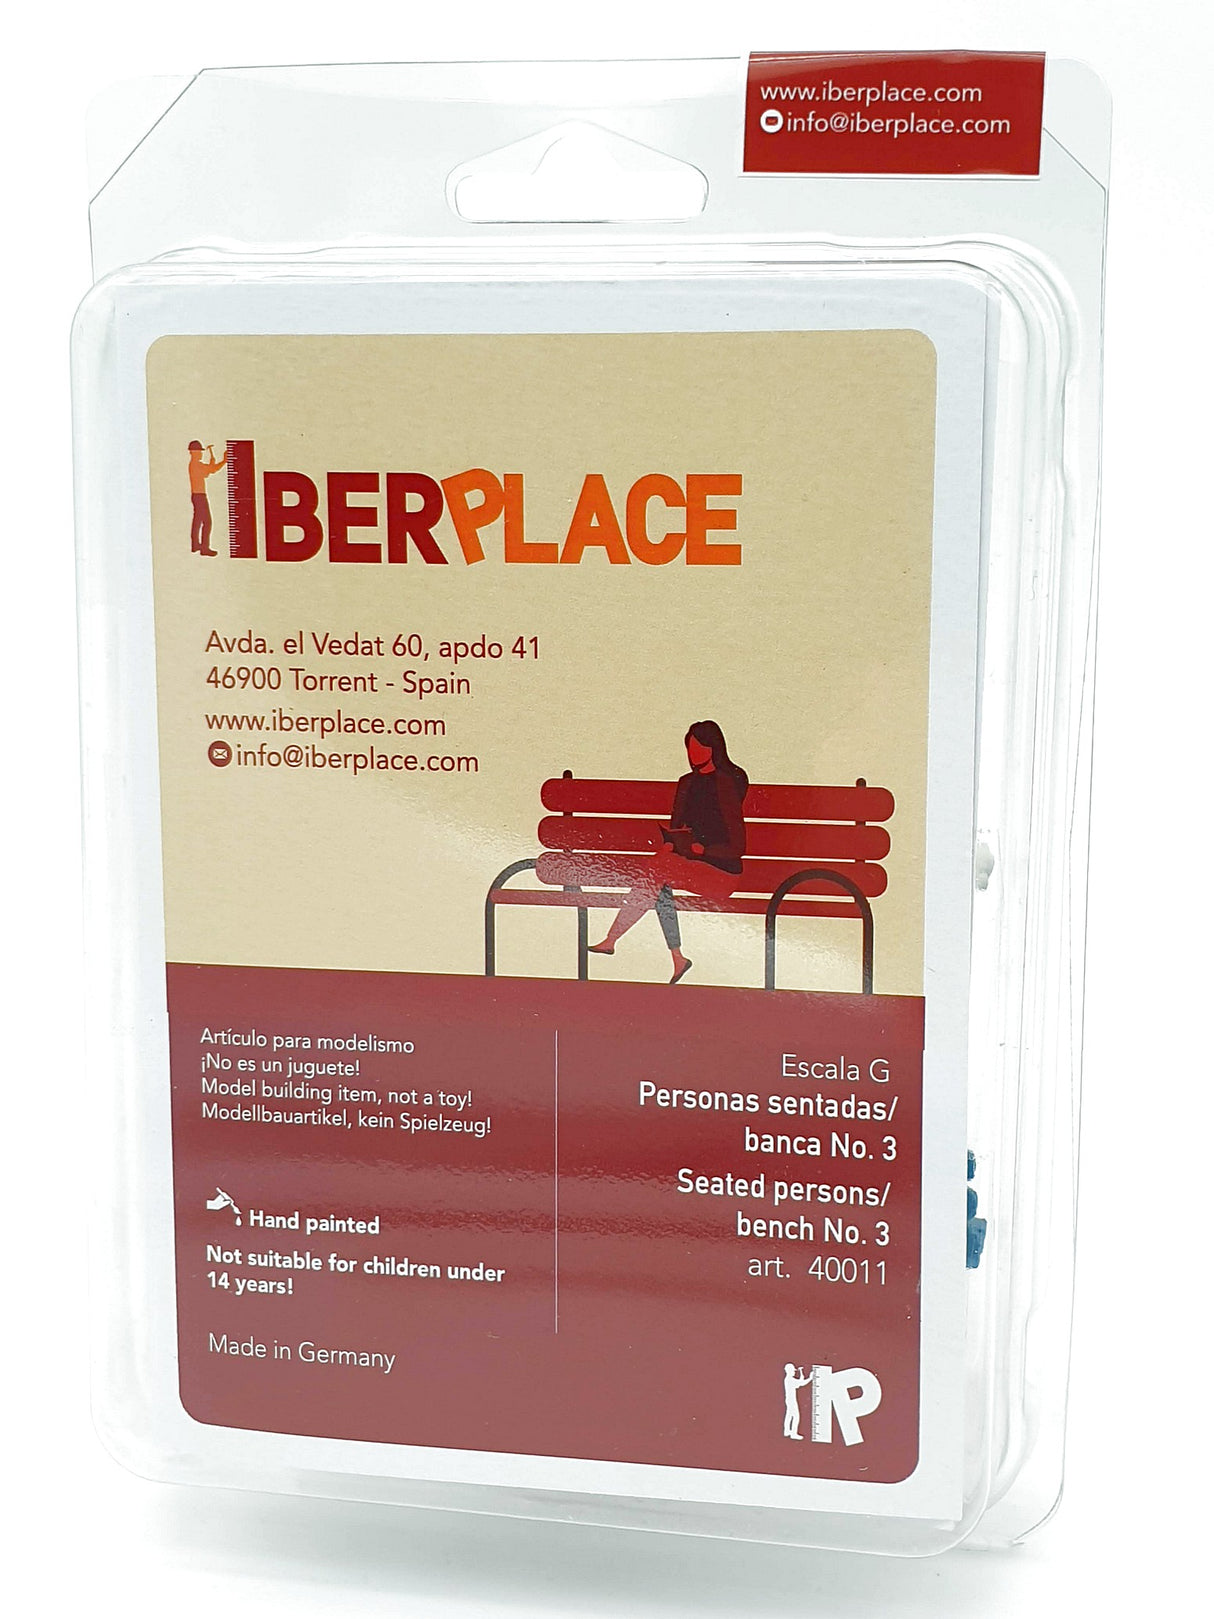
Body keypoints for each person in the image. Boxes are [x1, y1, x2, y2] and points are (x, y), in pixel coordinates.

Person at [588, 720, 748, 984]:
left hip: (722, 872)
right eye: (689, 748)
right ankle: (676, 958)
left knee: (658, 873)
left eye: (698, 748)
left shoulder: (726, 783)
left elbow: (738, 846)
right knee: (659, 872)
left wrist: (704, 850)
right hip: (690, 865)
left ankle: (613, 939)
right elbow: (677, 829)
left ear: (713, 748)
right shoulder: (686, 783)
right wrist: (670, 844)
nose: (692, 754)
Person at [188, 439, 227, 554]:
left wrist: (213, 462)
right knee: (207, 522)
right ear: (193, 452)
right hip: (200, 496)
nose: (201, 454)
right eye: (199, 451)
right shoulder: (195, 465)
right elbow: (212, 470)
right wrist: (224, 461)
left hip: (197, 495)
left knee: (198, 521)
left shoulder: (195, 464)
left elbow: (208, 471)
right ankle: (204, 548)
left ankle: (195, 545)